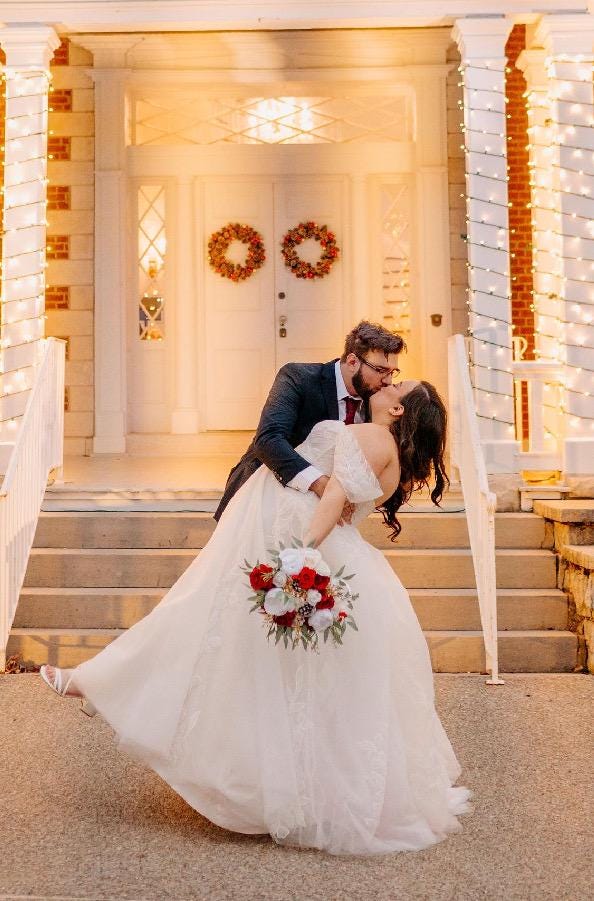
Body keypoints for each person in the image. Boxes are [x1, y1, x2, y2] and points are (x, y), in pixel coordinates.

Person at [40, 378, 473, 856]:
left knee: (208, 631)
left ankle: (103, 686)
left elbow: (334, 499)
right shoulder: (391, 455)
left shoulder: (372, 436)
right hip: (339, 559)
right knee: (297, 681)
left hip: (296, 543)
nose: (387, 384)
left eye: (397, 387)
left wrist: (301, 556)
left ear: (398, 411)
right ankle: (298, 788)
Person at [214, 320, 404, 523]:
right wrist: (319, 483)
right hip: (261, 499)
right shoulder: (299, 377)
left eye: (392, 372)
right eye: (380, 370)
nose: (388, 381)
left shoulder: (376, 399)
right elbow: (268, 439)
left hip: (323, 517)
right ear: (352, 362)